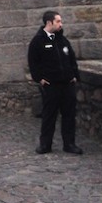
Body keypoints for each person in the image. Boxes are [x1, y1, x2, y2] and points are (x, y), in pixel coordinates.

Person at [27, 10, 83, 154]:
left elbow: (71, 58)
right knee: (49, 116)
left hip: (67, 84)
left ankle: (69, 144)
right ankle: (45, 145)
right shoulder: (38, 41)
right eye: (58, 21)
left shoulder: (62, 40)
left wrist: (74, 75)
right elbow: (33, 62)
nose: (60, 24)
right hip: (51, 85)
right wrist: (39, 79)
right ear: (49, 22)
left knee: (69, 115)